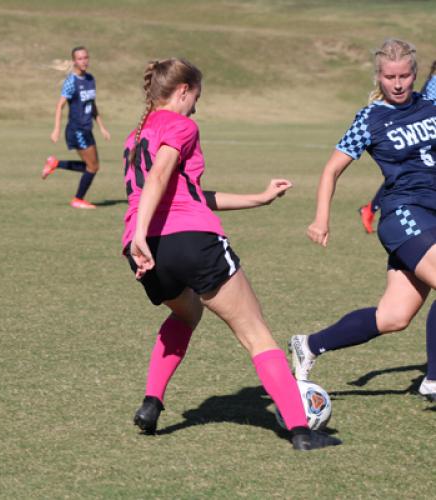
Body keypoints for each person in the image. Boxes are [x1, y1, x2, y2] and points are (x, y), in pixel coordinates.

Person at [123, 58, 341, 451]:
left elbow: (185, 193)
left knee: (186, 312)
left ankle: (152, 402)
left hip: (146, 250)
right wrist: (142, 232)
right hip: (184, 239)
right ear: (184, 90)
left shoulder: (137, 135)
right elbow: (160, 177)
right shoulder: (181, 124)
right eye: (196, 98)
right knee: (256, 332)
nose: (197, 107)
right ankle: (301, 431)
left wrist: (259, 198)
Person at [290, 39, 436, 402]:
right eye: (390, 77)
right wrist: (321, 219)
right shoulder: (370, 119)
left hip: (431, 218)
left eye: (404, 76)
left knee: (394, 317)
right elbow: (331, 170)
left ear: (415, 75)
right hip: (404, 215)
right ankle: (434, 380)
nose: (398, 84)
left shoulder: (431, 104)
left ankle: (309, 345)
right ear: (379, 77)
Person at [358, 60, 436, 233]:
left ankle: (370, 208)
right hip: (422, 136)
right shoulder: (434, 84)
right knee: (406, 175)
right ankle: (371, 209)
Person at [42, 46, 111, 209]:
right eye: (80, 58)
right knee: (93, 166)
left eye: (86, 57)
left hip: (87, 128)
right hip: (77, 129)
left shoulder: (90, 79)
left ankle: (55, 164)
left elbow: (92, 104)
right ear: (74, 61)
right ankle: (78, 199)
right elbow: (60, 106)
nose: (84, 61)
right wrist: (56, 129)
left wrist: (102, 126)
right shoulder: (71, 82)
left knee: (92, 166)